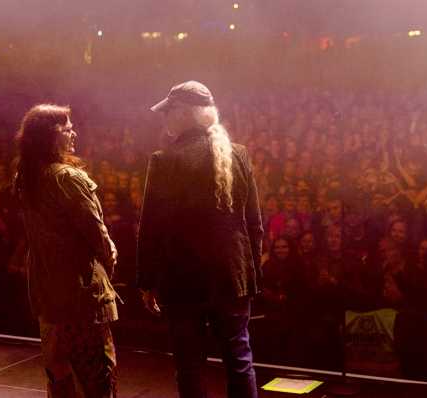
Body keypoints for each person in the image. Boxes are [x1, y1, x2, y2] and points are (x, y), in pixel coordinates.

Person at [137, 81, 263, 398]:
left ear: (184, 113)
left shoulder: (164, 161)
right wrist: (251, 276)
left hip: (183, 280)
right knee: (239, 360)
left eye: (168, 112)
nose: (164, 118)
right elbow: (254, 224)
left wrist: (146, 280)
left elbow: (151, 226)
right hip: (232, 276)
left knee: (190, 365)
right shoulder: (239, 155)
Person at [14, 104, 118, 398]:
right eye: (67, 128)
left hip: (47, 291)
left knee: (59, 373)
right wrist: (108, 263)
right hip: (80, 294)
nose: (74, 133)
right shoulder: (68, 179)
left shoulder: (26, 178)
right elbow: (100, 238)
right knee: (96, 374)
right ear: (50, 136)